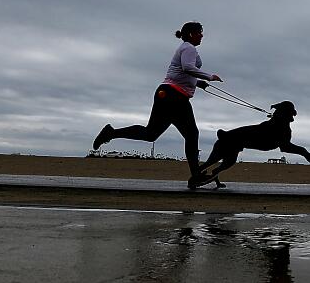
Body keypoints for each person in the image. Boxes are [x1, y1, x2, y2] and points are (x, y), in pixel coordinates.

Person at [92, 21, 222, 181]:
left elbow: (183, 74)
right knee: (192, 134)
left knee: (150, 134)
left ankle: (111, 133)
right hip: (174, 96)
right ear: (190, 34)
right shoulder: (189, 47)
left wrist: (199, 83)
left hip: (166, 94)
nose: (202, 35)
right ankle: (196, 175)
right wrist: (209, 76)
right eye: (199, 32)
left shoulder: (187, 48)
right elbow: (187, 68)